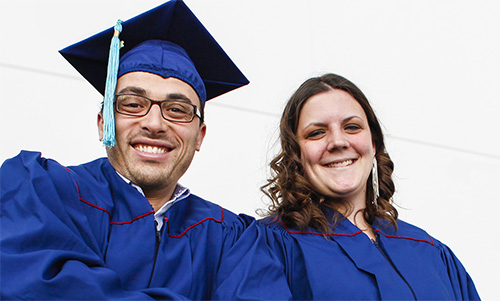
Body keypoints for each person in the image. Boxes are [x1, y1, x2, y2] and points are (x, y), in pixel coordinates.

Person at [0, 0, 252, 299]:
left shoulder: (234, 239)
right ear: (103, 122)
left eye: (177, 109)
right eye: (133, 104)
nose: (155, 123)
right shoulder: (41, 192)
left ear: (200, 135)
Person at [215, 73, 480, 300]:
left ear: (373, 144)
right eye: (316, 133)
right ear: (296, 153)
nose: (338, 141)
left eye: (352, 127)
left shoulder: (431, 253)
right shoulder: (269, 248)